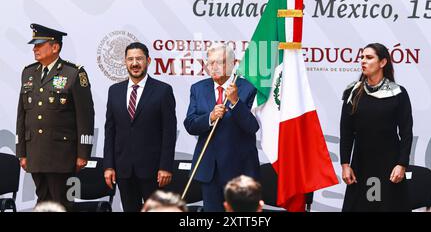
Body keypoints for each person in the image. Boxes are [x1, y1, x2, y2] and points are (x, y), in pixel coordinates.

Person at [15, 24, 95, 210]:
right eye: (34, 45)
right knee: (42, 201)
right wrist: (22, 152)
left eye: (39, 44)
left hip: (63, 155)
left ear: (55, 47)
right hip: (36, 153)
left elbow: (86, 115)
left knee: (63, 203)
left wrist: (83, 153)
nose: (34, 49)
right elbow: (22, 115)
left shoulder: (73, 73)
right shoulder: (28, 72)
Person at [184, 43, 260, 212]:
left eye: (220, 62)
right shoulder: (198, 88)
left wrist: (235, 102)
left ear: (233, 64)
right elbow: (190, 124)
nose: (214, 67)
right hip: (210, 169)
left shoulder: (248, 88)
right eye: (210, 63)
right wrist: (209, 117)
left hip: (240, 170)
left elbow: (252, 126)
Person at [103, 42, 177, 212]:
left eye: (139, 59)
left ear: (148, 60)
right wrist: (108, 165)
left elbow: (169, 132)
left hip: (154, 171)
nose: (134, 63)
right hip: (124, 170)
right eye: (130, 59)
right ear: (125, 62)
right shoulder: (114, 91)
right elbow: (110, 131)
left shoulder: (163, 90)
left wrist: (165, 166)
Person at [340, 43, 413, 212]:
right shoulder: (353, 92)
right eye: (362, 57)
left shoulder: (398, 93)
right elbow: (346, 131)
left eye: (369, 57)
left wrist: (402, 164)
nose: (363, 61)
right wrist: (345, 164)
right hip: (361, 165)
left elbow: (406, 132)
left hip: (389, 166)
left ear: (382, 62)